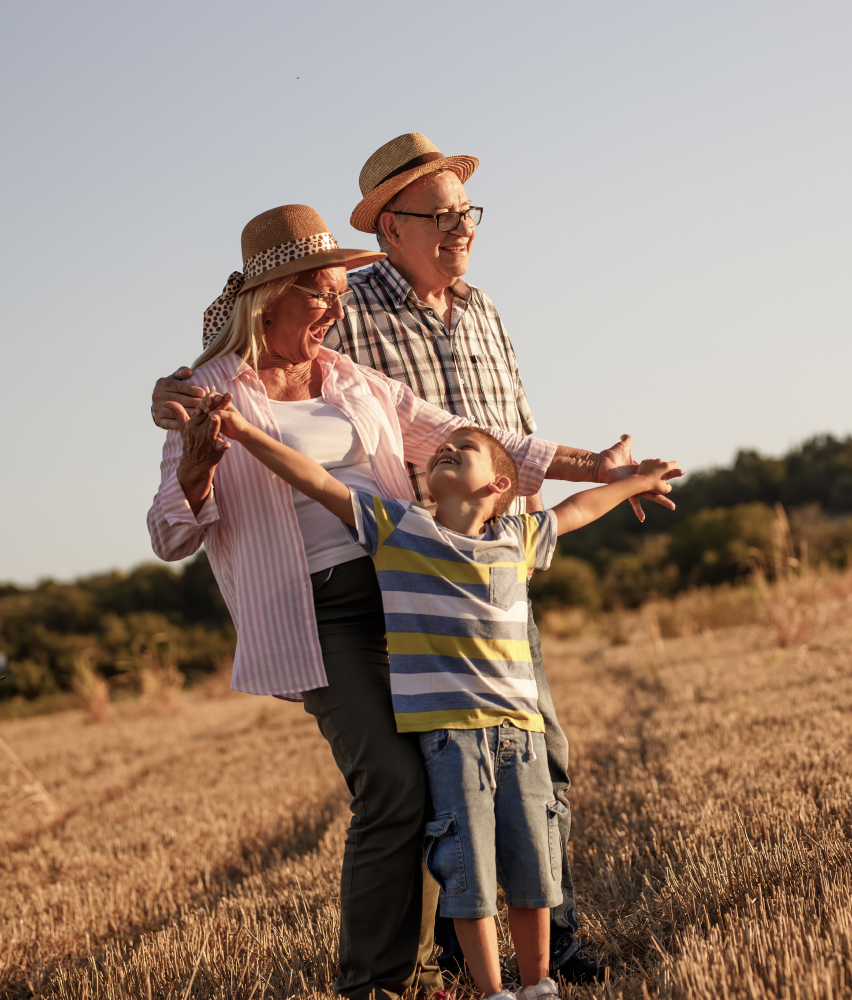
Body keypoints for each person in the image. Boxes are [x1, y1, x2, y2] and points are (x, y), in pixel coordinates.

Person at [151, 133, 671, 980]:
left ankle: (456, 965)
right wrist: (202, 467)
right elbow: (171, 534)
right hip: (318, 614)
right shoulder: (215, 393)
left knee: (446, 773)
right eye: (319, 295)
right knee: (393, 785)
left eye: (334, 293)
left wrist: (599, 468)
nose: (334, 308)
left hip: (414, 596)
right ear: (269, 302)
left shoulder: (353, 380)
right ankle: (375, 985)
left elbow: (484, 439)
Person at [179, 392, 680, 1000]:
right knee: (466, 870)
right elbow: (313, 479)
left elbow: (579, 508)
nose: (446, 449)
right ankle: (495, 990)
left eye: (462, 449)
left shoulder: (518, 537)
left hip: (520, 731)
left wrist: (633, 483)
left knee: (531, 865)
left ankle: (539, 982)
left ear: (500, 484)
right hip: (449, 738)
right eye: (444, 447)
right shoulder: (398, 529)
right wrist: (246, 433)